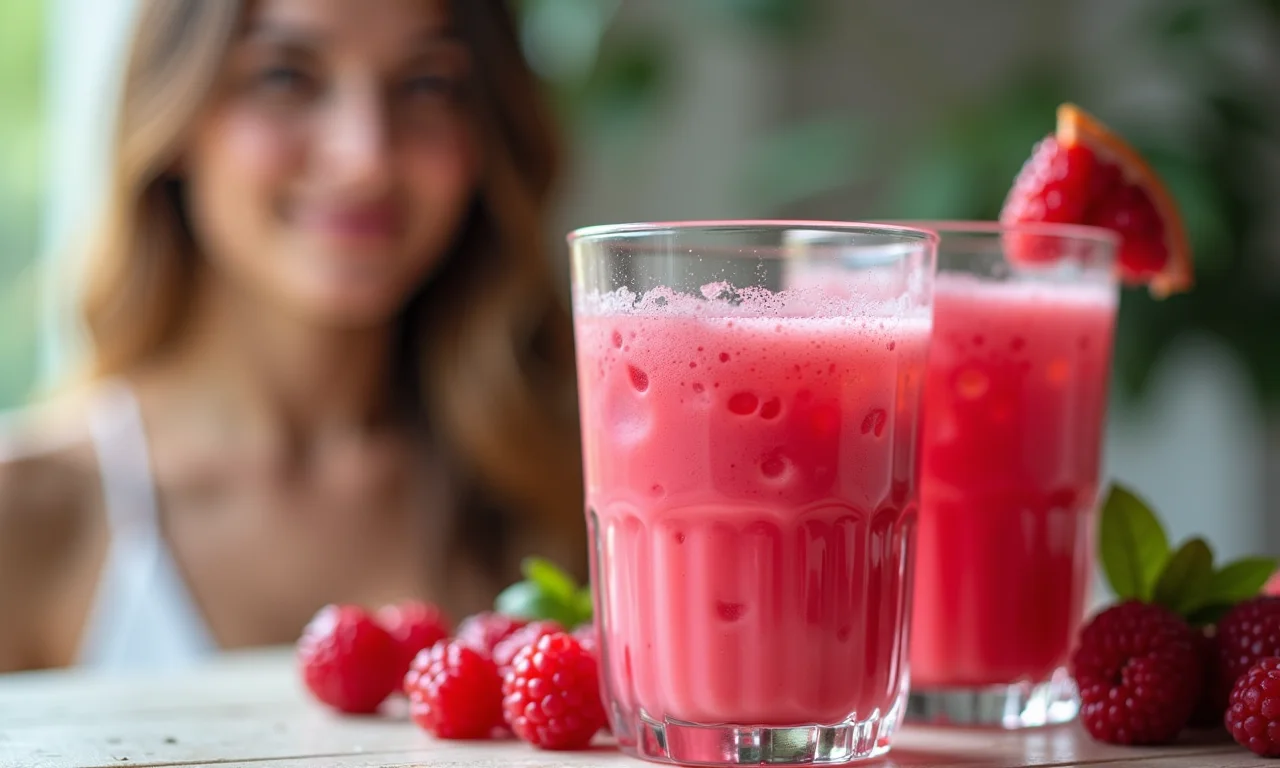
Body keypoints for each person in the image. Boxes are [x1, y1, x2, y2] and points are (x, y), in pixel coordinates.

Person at [0, 0, 585, 673]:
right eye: (284, 77)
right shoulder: (27, 516)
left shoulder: (573, 495)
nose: (366, 157)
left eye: (428, 84)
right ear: (176, 119)